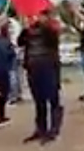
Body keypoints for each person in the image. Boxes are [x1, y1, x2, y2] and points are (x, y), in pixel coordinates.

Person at [18, 12, 64, 143]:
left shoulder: (51, 29)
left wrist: (46, 24)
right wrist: (25, 29)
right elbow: (20, 42)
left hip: (49, 68)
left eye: (40, 15)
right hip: (33, 69)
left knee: (53, 98)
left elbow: (53, 39)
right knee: (39, 100)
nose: (36, 17)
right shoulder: (29, 29)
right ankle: (40, 129)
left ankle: (54, 130)